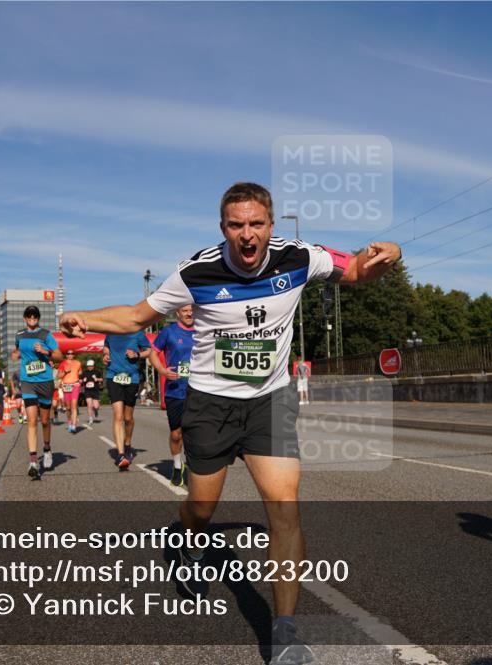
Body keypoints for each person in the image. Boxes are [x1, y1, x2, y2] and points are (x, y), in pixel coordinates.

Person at [61, 182, 401, 663]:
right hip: (210, 404)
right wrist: (86, 319)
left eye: (256, 224)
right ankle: (190, 547)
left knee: (284, 507)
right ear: (223, 228)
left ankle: (284, 632)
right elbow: (137, 317)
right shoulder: (196, 270)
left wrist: (393, 253)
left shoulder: (300, 257)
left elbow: (362, 271)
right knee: (201, 509)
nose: (247, 235)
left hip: (270, 401)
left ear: (271, 225)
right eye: (236, 225)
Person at [12, 305, 63, 479]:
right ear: (25, 318)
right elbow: (16, 350)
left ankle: (47, 449)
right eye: (29, 316)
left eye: (35, 316)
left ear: (38, 318)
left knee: (45, 421)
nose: (32, 318)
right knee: (31, 420)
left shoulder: (46, 335)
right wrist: (15, 355)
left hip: (45, 381)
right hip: (28, 382)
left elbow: (59, 355)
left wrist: (46, 351)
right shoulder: (19, 335)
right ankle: (33, 460)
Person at [148, 304, 196, 486]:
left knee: (196, 432)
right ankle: (177, 466)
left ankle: (193, 467)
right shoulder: (169, 332)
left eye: (191, 310)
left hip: (199, 389)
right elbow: (153, 353)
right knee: (176, 434)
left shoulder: (204, 330)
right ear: (178, 313)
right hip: (175, 389)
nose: (189, 313)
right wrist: (161, 370)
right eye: (184, 310)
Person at [102, 329, 154, 470]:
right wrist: (106, 354)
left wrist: (137, 354)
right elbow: (106, 346)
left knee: (128, 418)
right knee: (118, 416)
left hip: (132, 378)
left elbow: (149, 350)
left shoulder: (137, 333)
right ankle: (120, 455)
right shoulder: (111, 333)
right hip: (113, 376)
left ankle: (128, 444)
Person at [57, 350, 83, 433]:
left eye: (72, 353)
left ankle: (74, 425)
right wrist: (65, 372)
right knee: (68, 408)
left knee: (74, 406)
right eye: (68, 353)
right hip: (66, 386)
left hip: (75, 385)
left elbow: (80, 372)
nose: (70, 355)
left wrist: (79, 379)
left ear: (74, 355)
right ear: (66, 355)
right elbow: (58, 376)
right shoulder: (63, 364)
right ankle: (69, 422)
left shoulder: (78, 363)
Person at [80, 359, 103, 425]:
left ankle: (95, 410)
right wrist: (83, 380)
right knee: (89, 405)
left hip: (95, 390)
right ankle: (90, 419)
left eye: (91, 366)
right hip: (87, 391)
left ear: (93, 366)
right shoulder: (84, 372)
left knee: (96, 406)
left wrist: (97, 379)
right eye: (89, 366)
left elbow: (101, 379)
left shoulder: (97, 372)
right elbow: (80, 380)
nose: (90, 367)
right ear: (87, 366)